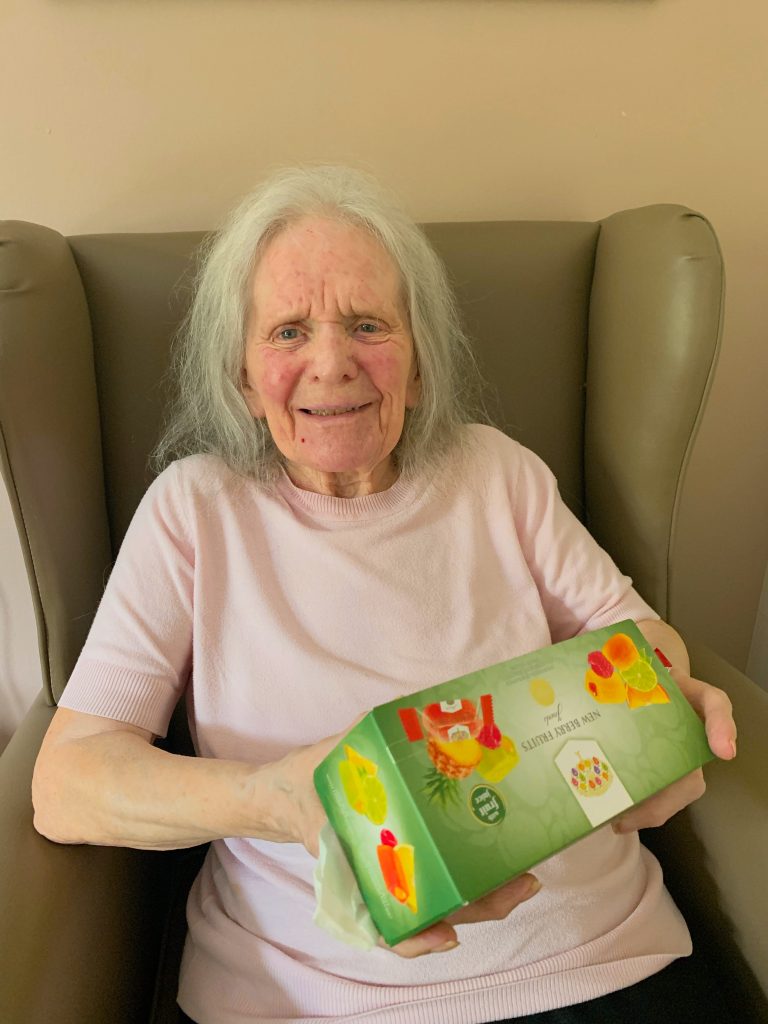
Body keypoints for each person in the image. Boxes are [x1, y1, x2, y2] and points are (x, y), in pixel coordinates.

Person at [32, 166, 737, 1024]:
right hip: (312, 998)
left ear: (419, 364)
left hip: (596, 958)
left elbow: (637, 637)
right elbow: (68, 782)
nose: (332, 364)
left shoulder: (497, 473)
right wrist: (278, 800)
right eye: (288, 332)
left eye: (368, 325)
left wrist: (660, 713)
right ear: (243, 378)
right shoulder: (195, 511)